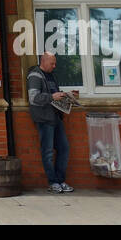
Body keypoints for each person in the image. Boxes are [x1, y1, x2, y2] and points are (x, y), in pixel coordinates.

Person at [26, 51, 75, 193]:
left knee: (64, 148)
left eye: (55, 63)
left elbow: (53, 95)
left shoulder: (51, 75)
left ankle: (60, 180)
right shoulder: (35, 75)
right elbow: (33, 98)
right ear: (43, 61)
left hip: (56, 117)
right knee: (47, 152)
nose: (54, 66)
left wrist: (66, 96)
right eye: (52, 63)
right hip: (44, 119)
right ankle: (53, 182)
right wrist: (52, 96)